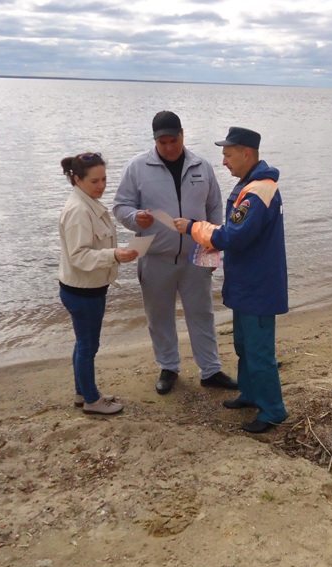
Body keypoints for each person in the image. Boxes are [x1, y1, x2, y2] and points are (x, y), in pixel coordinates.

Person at [113, 111, 238, 395]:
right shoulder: (136, 167)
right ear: (154, 140)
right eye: (163, 142)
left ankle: (211, 370)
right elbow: (120, 206)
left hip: (196, 256)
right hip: (156, 258)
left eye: (174, 140)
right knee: (159, 317)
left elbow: (215, 207)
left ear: (183, 134)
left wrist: (215, 243)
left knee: (202, 314)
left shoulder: (201, 166)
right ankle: (169, 367)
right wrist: (136, 218)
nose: (169, 147)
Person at [173, 127, 288, 433]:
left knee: (260, 351)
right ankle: (251, 394)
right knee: (244, 345)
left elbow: (234, 236)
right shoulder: (249, 185)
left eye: (227, 154)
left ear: (246, 153)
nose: (223, 161)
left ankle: (272, 410)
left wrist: (194, 228)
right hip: (246, 284)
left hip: (258, 287)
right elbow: (236, 235)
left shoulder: (259, 190)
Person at [58, 152, 138, 415]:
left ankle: (83, 393)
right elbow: (78, 256)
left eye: (104, 179)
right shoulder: (79, 210)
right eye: (95, 181)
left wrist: (114, 254)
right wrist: (114, 255)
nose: (102, 185)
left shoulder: (88, 203)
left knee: (84, 343)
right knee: (88, 346)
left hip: (85, 287)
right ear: (77, 180)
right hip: (82, 291)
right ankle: (91, 399)